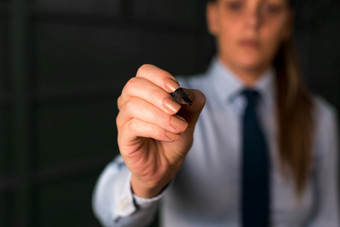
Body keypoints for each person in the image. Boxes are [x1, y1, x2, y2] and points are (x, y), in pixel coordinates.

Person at [92, 0, 339, 226]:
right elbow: (112, 214)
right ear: (213, 17)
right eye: (235, 6)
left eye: (271, 8)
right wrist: (145, 183)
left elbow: (328, 218)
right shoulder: (170, 106)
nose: (253, 22)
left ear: (287, 24)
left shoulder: (320, 119)